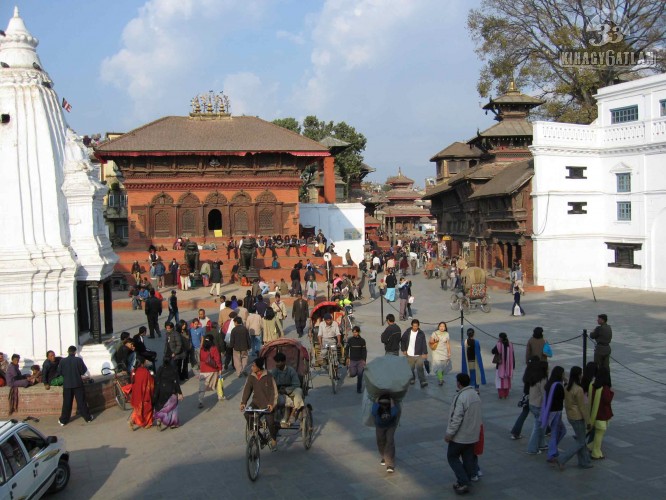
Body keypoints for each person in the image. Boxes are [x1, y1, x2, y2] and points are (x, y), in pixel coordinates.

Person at [445, 373, 483, 495]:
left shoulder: (461, 396)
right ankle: (464, 481)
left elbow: (456, 417)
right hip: (473, 435)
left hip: (460, 436)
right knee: (467, 459)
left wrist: (449, 433)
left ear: (459, 383)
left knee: (452, 457)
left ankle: (463, 481)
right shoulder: (475, 395)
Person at [240, 357, 279, 450]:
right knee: (247, 414)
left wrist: (271, 404)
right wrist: (243, 402)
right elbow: (247, 390)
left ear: (259, 367)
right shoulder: (251, 376)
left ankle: (273, 439)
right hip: (256, 402)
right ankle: (257, 433)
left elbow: (274, 391)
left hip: (267, 404)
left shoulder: (268, 376)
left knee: (270, 423)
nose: (251, 368)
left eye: (253, 366)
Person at [558, 366, 593, 469]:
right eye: (581, 374)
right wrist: (588, 421)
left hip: (570, 416)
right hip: (578, 417)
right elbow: (582, 407)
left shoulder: (567, 387)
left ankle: (584, 462)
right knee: (581, 442)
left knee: (580, 439)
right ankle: (562, 458)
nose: (582, 375)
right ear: (578, 375)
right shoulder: (579, 389)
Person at [57, 346, 93, 425]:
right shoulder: (78, 360)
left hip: (67, 385)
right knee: (81, 402)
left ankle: (63, 420)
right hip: (78, 384)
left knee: (67, 403)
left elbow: (60, 372)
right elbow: (83, 371)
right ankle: (87, 418)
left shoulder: (62, 361)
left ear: (68, 351)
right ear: (75, 352)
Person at [541, 365, 567, 464]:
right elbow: (563, 396)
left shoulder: (549, 384)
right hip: (556, 412)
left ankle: (553, 449)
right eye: (563, 373)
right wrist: (566, 382)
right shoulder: (558, 385)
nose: (564, 375)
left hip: (551, 411)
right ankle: (551, 453)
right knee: (556, 432)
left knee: (561, 431)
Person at [271, 352, 304, 428]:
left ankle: (294, 412)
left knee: (299, 391)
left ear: (284, 362)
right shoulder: (274, 371)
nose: (277, 364)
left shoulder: (291, 370)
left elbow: (296, 384)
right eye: (276, 362)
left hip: (291, 390)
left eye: (279, 362)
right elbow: (271, 383)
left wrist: (286, 390)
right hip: (279, 391)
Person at [588, 366, 613, 460]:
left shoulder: (593, 384)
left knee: (596, 433)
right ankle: (596, 453)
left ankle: (591, 446)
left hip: (594, 414)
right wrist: (612, 393)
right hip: (602, 415)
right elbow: (607, 400)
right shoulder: (605, 388)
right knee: (599, 434)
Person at [372, 394, 401, 473]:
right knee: (380, 441)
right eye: (382, 404)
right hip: (380, 427)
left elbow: (395, 413)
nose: (384, 406)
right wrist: (377, 399)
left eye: (386, 404)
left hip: (390, 426)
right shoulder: (376, 409)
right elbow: (374, 410)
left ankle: (390, 464)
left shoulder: (393, 409)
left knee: (390, 441)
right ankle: (384, 456)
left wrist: (391, 402)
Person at [525, 357, 549, 454]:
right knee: (537, 427)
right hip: (539, 405)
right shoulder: (543, 379)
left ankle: (541, 444)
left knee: (541, 425)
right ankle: (532, 448)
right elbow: (544, 394)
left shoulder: (534, 376)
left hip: (532, 403)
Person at [400, 319, 428, 388]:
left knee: (420, 368)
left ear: (418, 326)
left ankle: (422, 381)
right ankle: (412, 379)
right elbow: (403, 340)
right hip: (409, 354)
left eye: (416, 326)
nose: (415, 327)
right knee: (411, 368)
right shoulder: (407, 332)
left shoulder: (421, 333)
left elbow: (424, 343)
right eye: (414, 326)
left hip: (418, 354)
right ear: (412, 325)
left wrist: (425, 352)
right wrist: (404, 349)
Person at [129, 356, 154, 431]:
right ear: (143, 363)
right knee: (147, 408)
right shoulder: (145, 371)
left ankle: (132, 420)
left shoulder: (133, 371)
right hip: (144, 393)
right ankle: (148, 423)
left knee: (137, 409)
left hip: (136, 393)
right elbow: (150, 382)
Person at [198, 334, 222, 409]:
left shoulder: (202, 349)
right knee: (218, 382)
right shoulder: (214, 348)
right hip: (212, 370)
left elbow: (201, 359)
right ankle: (220, 396)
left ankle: (200, 401)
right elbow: (217, 359)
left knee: (202, 387)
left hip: (203, 370)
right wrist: (220, 368)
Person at [492, 332, 515, 399]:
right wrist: (513, 366)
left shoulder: (499, 344)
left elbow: (493, 351)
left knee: (500, 381)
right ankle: (506, 394)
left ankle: (501, 395)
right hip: (509, 366)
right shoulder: (510, 344)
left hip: (500, 366)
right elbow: (513, 355)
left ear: (500, 338)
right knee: (507, 381)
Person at [345, 326, 367, 393]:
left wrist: (364, 360)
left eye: (356, 332)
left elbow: (364, 351)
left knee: (360, 375)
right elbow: (346, 349)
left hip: (360, 361)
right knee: (353, 374)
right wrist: (347, 357)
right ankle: (351, 370)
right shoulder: (350, 340)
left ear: (358, 332)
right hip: (353, 360)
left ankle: (359, 389)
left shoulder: (362, 341)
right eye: (353, 332)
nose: (354, 333)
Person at [430, 322, 452, 386]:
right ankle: (440, 380)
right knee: (438, 367)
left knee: (443, 367)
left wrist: (449, 353)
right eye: (440, 326)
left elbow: (448, 344)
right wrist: (435, 341)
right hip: (436, 352)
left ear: (445, 328)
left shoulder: (447, 334)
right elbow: (430, 341)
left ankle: (440, 377)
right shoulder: (434, 333)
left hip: (444, 352)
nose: (442, 327)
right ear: (438, 327)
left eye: (443, 326)